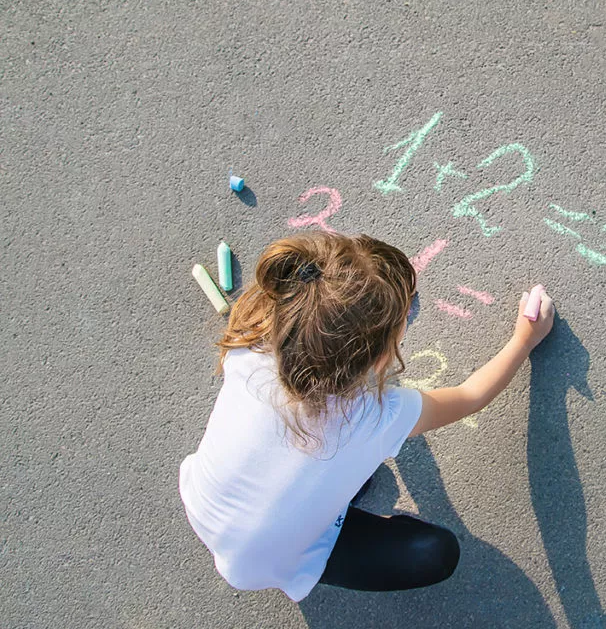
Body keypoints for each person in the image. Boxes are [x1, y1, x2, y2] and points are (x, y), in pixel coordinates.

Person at [178, 231, 554, 602]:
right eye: (403, 321)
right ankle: (332, 524)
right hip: (272, 563)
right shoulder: (377, 415)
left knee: (330, 471)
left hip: (205, 504)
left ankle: (336, 500)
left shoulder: (251, 343)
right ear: (377, 358)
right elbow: (471, 396)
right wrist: (525, 339)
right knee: (436, 552)